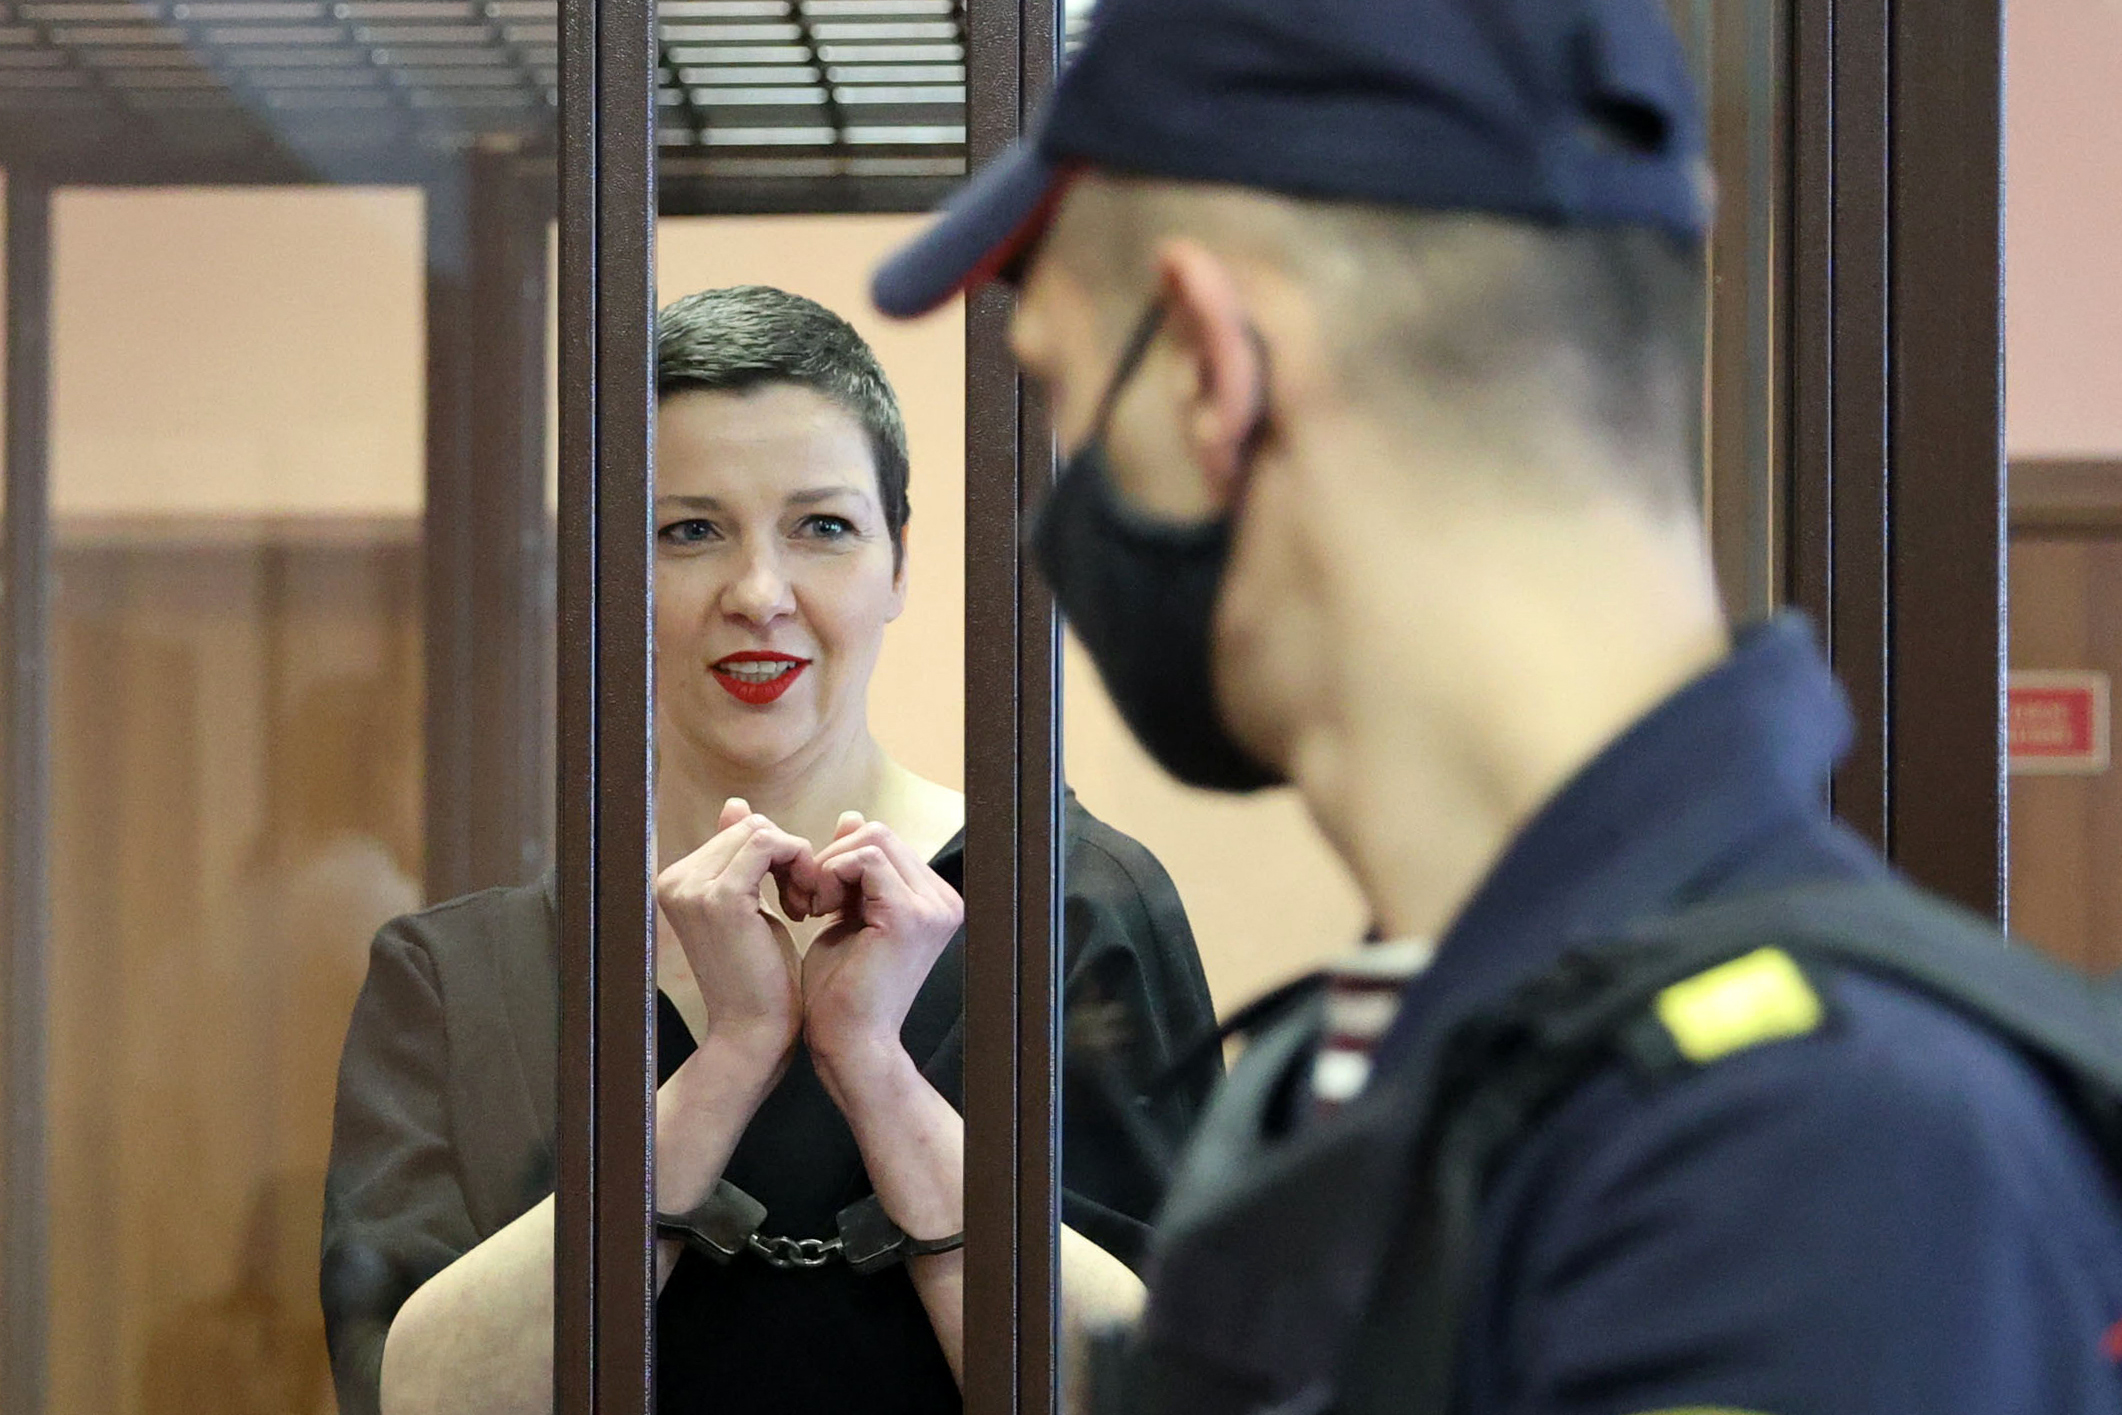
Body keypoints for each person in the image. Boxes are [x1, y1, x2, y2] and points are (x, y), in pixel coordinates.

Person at [870, 0, 2122, 1410]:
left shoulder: (1799, 1145)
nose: (1060, 495)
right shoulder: (1398, 1061)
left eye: (1057, 391)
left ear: (1213, 371)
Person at [321, 286, 1217, 1415]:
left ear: (898, 562)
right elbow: (412, 1398)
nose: (758, 593)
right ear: (606, 574)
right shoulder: (457, 977)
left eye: (822, 526)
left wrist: (878, 1074)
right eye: (687, 529)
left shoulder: (1079, 905)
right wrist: (730, 1059)